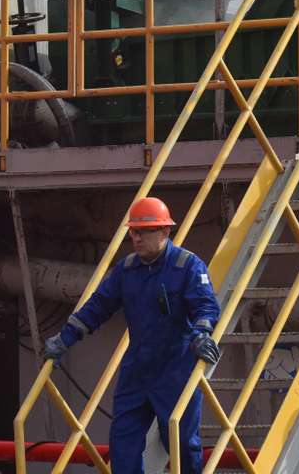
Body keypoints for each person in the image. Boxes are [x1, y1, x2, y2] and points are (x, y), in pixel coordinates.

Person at [44, 196, 221, 473]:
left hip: (176, 368)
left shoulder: (187, 266)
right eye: (133, 232)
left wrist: (202, 334)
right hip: (137, 371)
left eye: (144, 232)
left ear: (165, 232)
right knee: (122, 445)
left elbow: (206, 305)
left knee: (183, 444)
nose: (136, 239)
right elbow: (98, 306)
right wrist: (64, 339)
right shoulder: (126, 270)